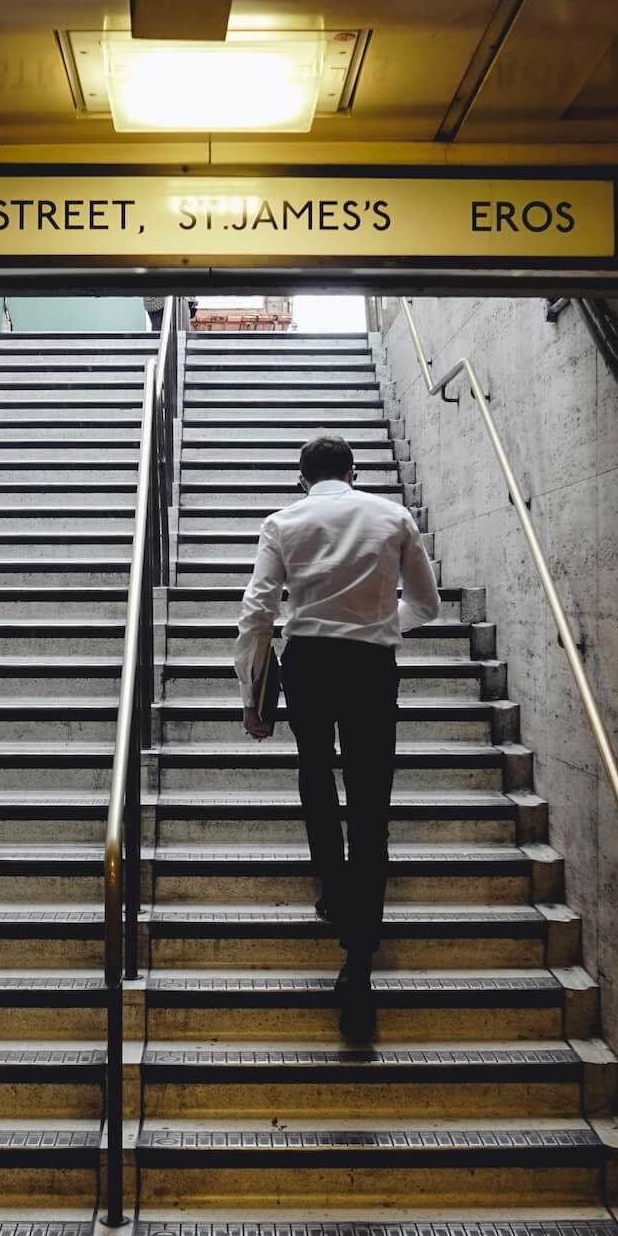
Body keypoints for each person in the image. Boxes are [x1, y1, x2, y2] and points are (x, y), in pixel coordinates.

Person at [234, 434, 441, 1041]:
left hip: (309, 664)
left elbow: (258, 611)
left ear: (302, 477)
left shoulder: (283, 522)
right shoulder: (393, 516)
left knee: (316, 774)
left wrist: (252, 693)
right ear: (353, 471)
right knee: (372, 795)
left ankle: (332, 886)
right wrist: (378, 627)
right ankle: (362, 949)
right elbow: (425, 606)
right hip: (372, 666)